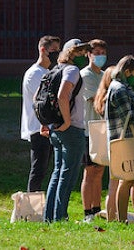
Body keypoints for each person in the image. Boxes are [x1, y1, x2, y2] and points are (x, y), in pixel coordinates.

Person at [44, 38, 91, 222]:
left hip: (56, 128)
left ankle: (50, 217)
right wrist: (66, 121)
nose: (83, 55)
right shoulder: (71, 70)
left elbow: (39, 98)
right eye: (78, 52)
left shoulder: (55, 69)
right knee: (68, 174)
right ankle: (60, 216)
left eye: (83, 52)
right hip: (71, 128)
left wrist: (48, 123)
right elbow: (62, 96)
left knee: (57, 172)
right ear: (70, 53)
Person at [104, 55, 134, 226]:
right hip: (126, 141)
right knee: (127, 179)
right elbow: (128, 116)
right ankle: (122, 220)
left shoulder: (122, 87)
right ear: (126, 71)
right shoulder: (119, 89)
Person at [20, 35, 60, 192]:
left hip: (48, 127)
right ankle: (31, 205)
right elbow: (44, 101)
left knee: (44, 169)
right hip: (39, 128)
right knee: (38, 170)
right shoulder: (35, 74)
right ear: (43, 50)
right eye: (54, 50)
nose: (57, 53)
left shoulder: (46, 71)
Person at [79, 39, 108, 222]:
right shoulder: (85, 75)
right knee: (89, 172)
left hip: (103, 129)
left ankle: (97, 209)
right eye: (96, 52)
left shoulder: (105, 74)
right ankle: (87, 212)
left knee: (100, 171)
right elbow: (96, 99)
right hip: (89, 129)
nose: (100, 56)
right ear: (88, 54)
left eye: (102, 53)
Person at [93, 66, 120, 221]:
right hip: (114, 141)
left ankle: (113, 214)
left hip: (108, 141)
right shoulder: (110, 97)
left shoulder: (102, 95)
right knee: (114, 183)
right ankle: (112, 215)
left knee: (113, 182)